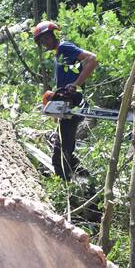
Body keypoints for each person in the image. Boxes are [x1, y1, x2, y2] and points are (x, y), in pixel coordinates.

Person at [32, 20, 98, 179]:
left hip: (72, 102)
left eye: (46, 38)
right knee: (65, 148)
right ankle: (86, 180)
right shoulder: (59, 54)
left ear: (54, 34)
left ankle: (67, 186)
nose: (45, 42)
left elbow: (92, 59)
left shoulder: (64, 47)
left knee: (60, 154)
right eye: (41, 41)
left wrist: (76, 84)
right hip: (66, 104)